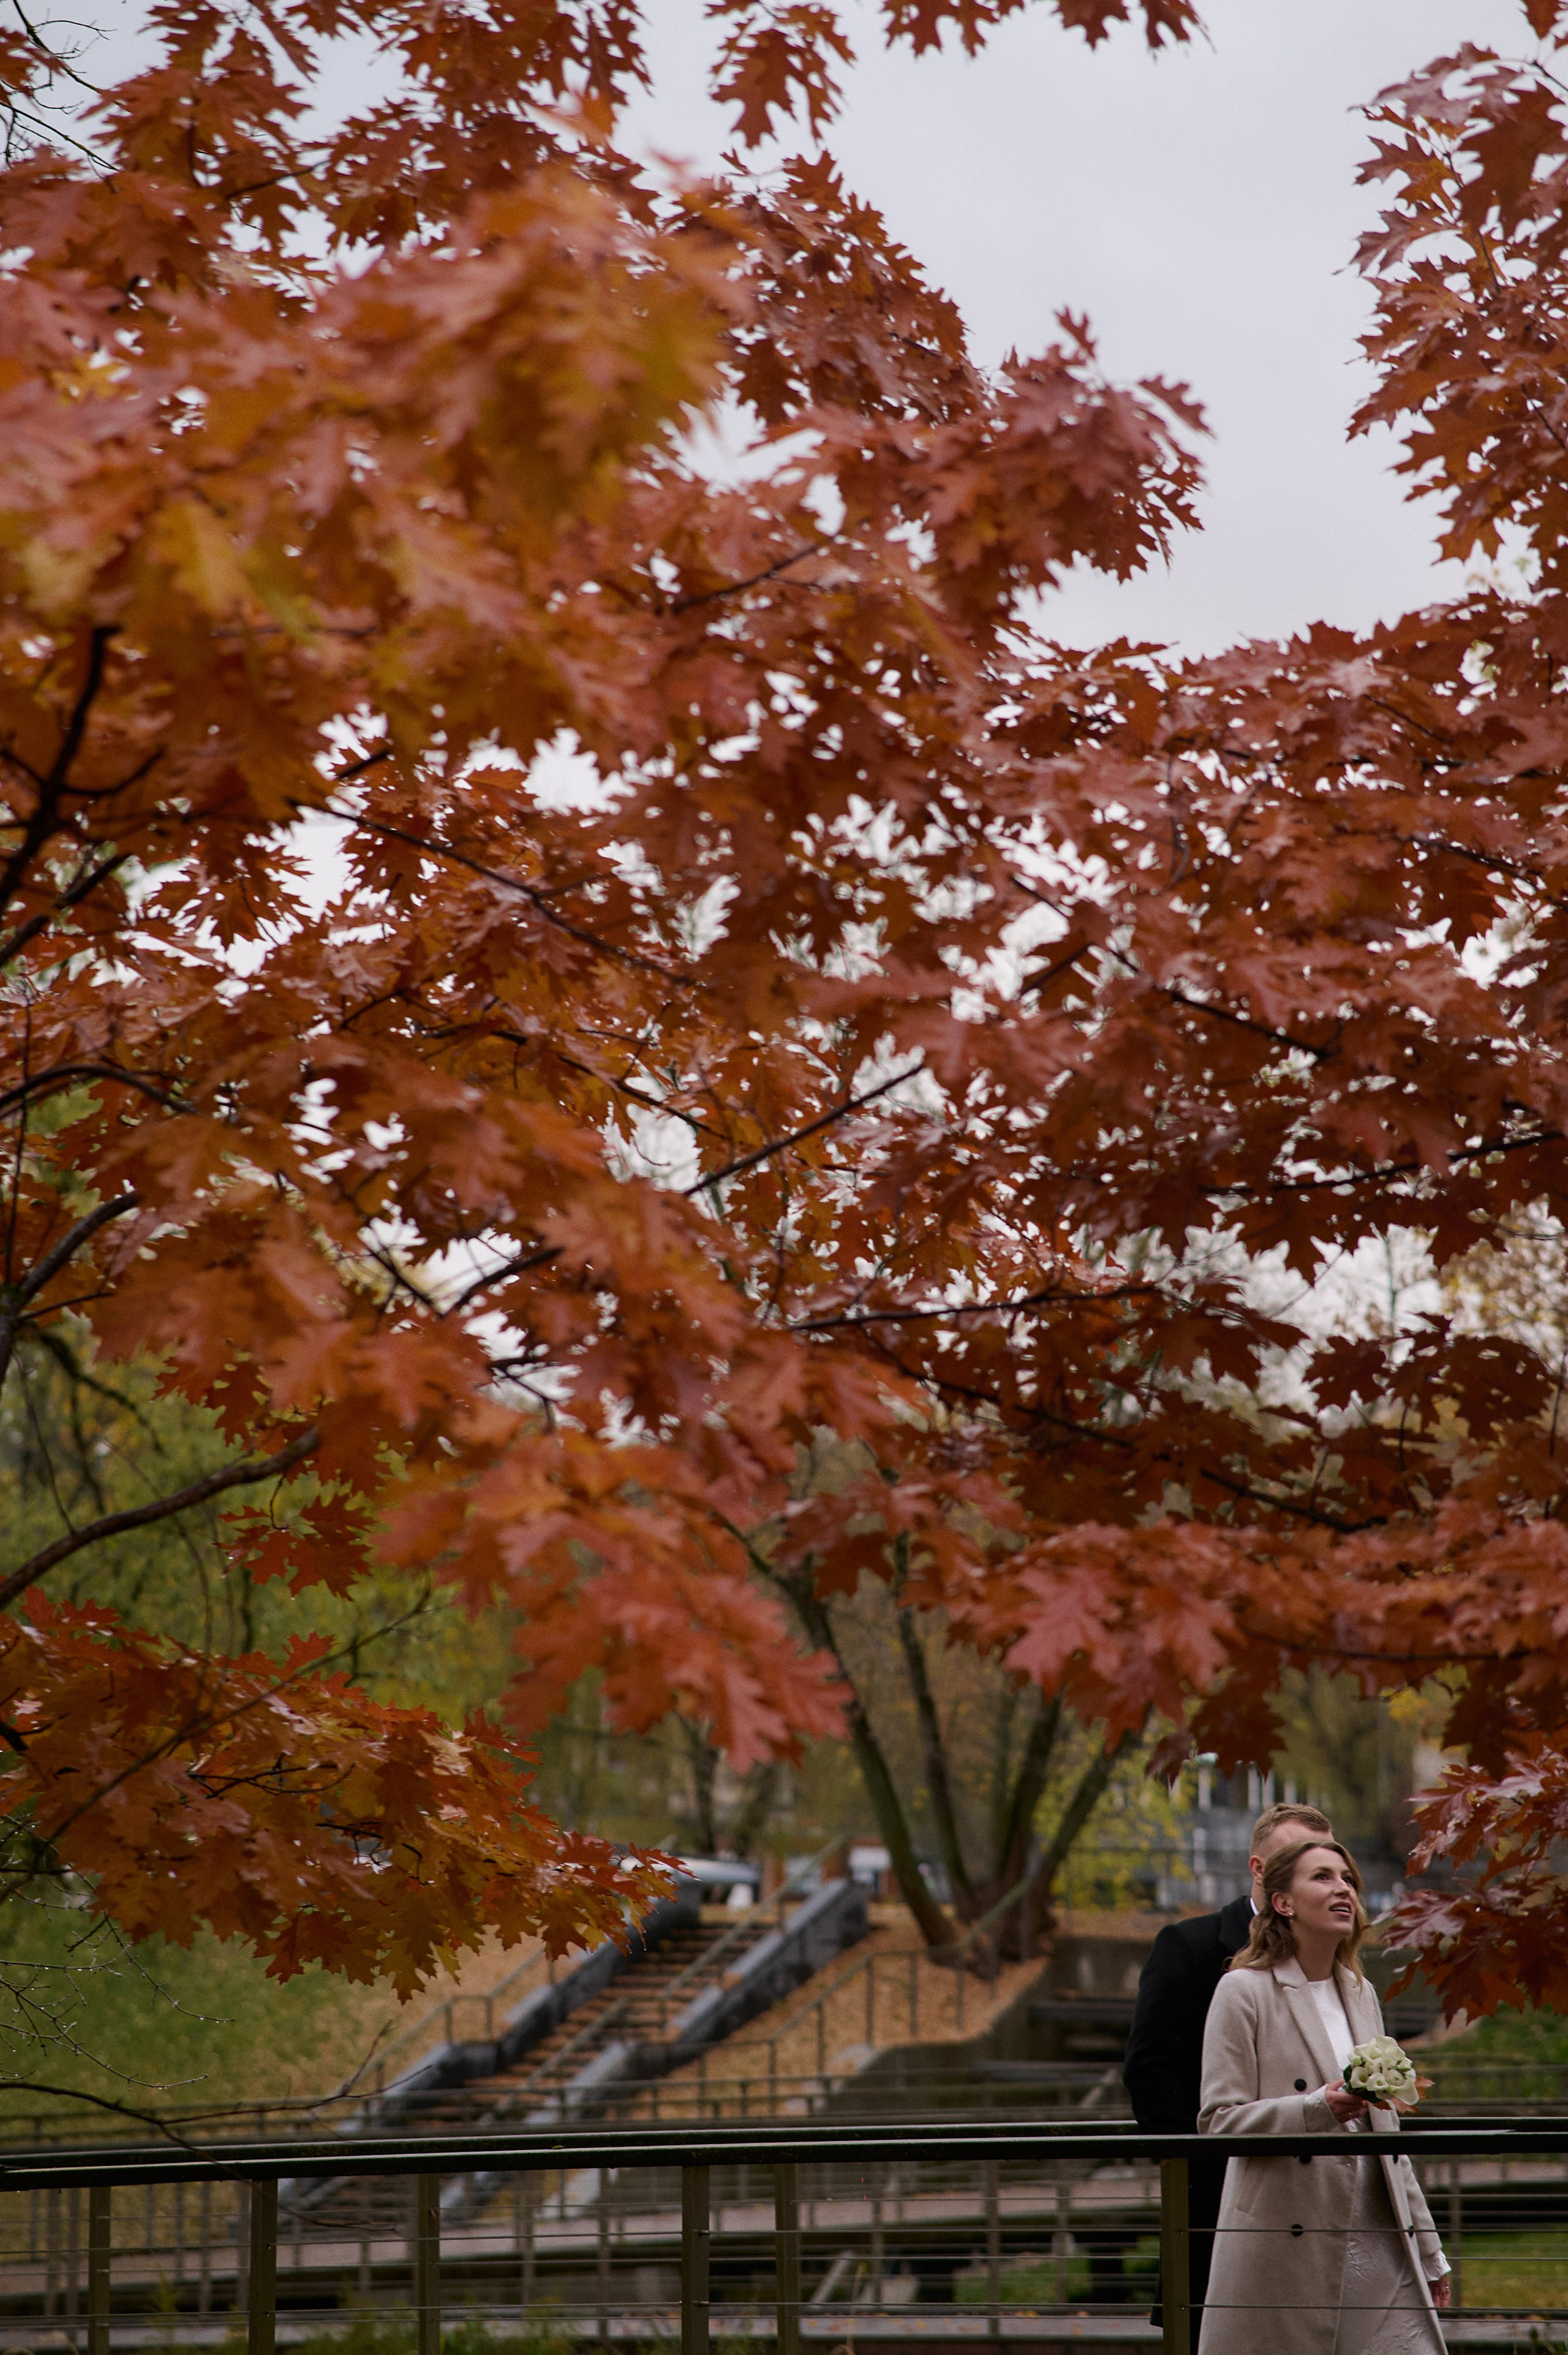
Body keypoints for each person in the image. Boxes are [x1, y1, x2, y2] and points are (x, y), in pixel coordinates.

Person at [1197, 1839, 1449, 2355]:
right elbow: (1217, 2121)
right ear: (1283, 1903)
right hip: (1292, 2238)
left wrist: (1428, 2248)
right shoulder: (1243, 1991)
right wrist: (1315, 2109)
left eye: (1348, 1879)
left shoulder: (1360, 1992)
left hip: (1379, 2230)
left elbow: (1390, 2140)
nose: (1343, 1889)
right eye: (1323, 1877)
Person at [1123, 1801, 1334, 2324]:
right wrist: (1210, 2167)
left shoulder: (1333, 1963)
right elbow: (1151, 2073)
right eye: (1301, 1860)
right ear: (1259, 1870)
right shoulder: (1190, 1948)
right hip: (1224, 2203)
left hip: (1323, 2208)